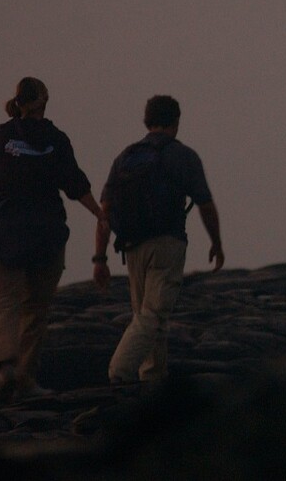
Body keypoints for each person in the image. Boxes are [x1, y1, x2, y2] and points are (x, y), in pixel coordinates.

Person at [0, 77, 104, 403]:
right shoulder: (55, 139)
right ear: (44, 100)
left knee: (3, 298)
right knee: (36, 308)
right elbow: (75, 184)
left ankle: (4, 366)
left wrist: (1, 200)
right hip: (47, 232)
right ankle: (25, 379)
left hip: (6, 228)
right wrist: (99, 213)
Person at [93, 94, 224, 385]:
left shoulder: (126, 157)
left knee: (147, 316)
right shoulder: (184, 156)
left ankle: (152, 380)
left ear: (147, 120)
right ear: (176, 121)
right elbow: (205, 204)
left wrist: (100, 258)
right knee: (153, 315)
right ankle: (120, 370)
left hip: (132, 246)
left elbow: (105, 211)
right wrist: (216, 242)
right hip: (167, 244)